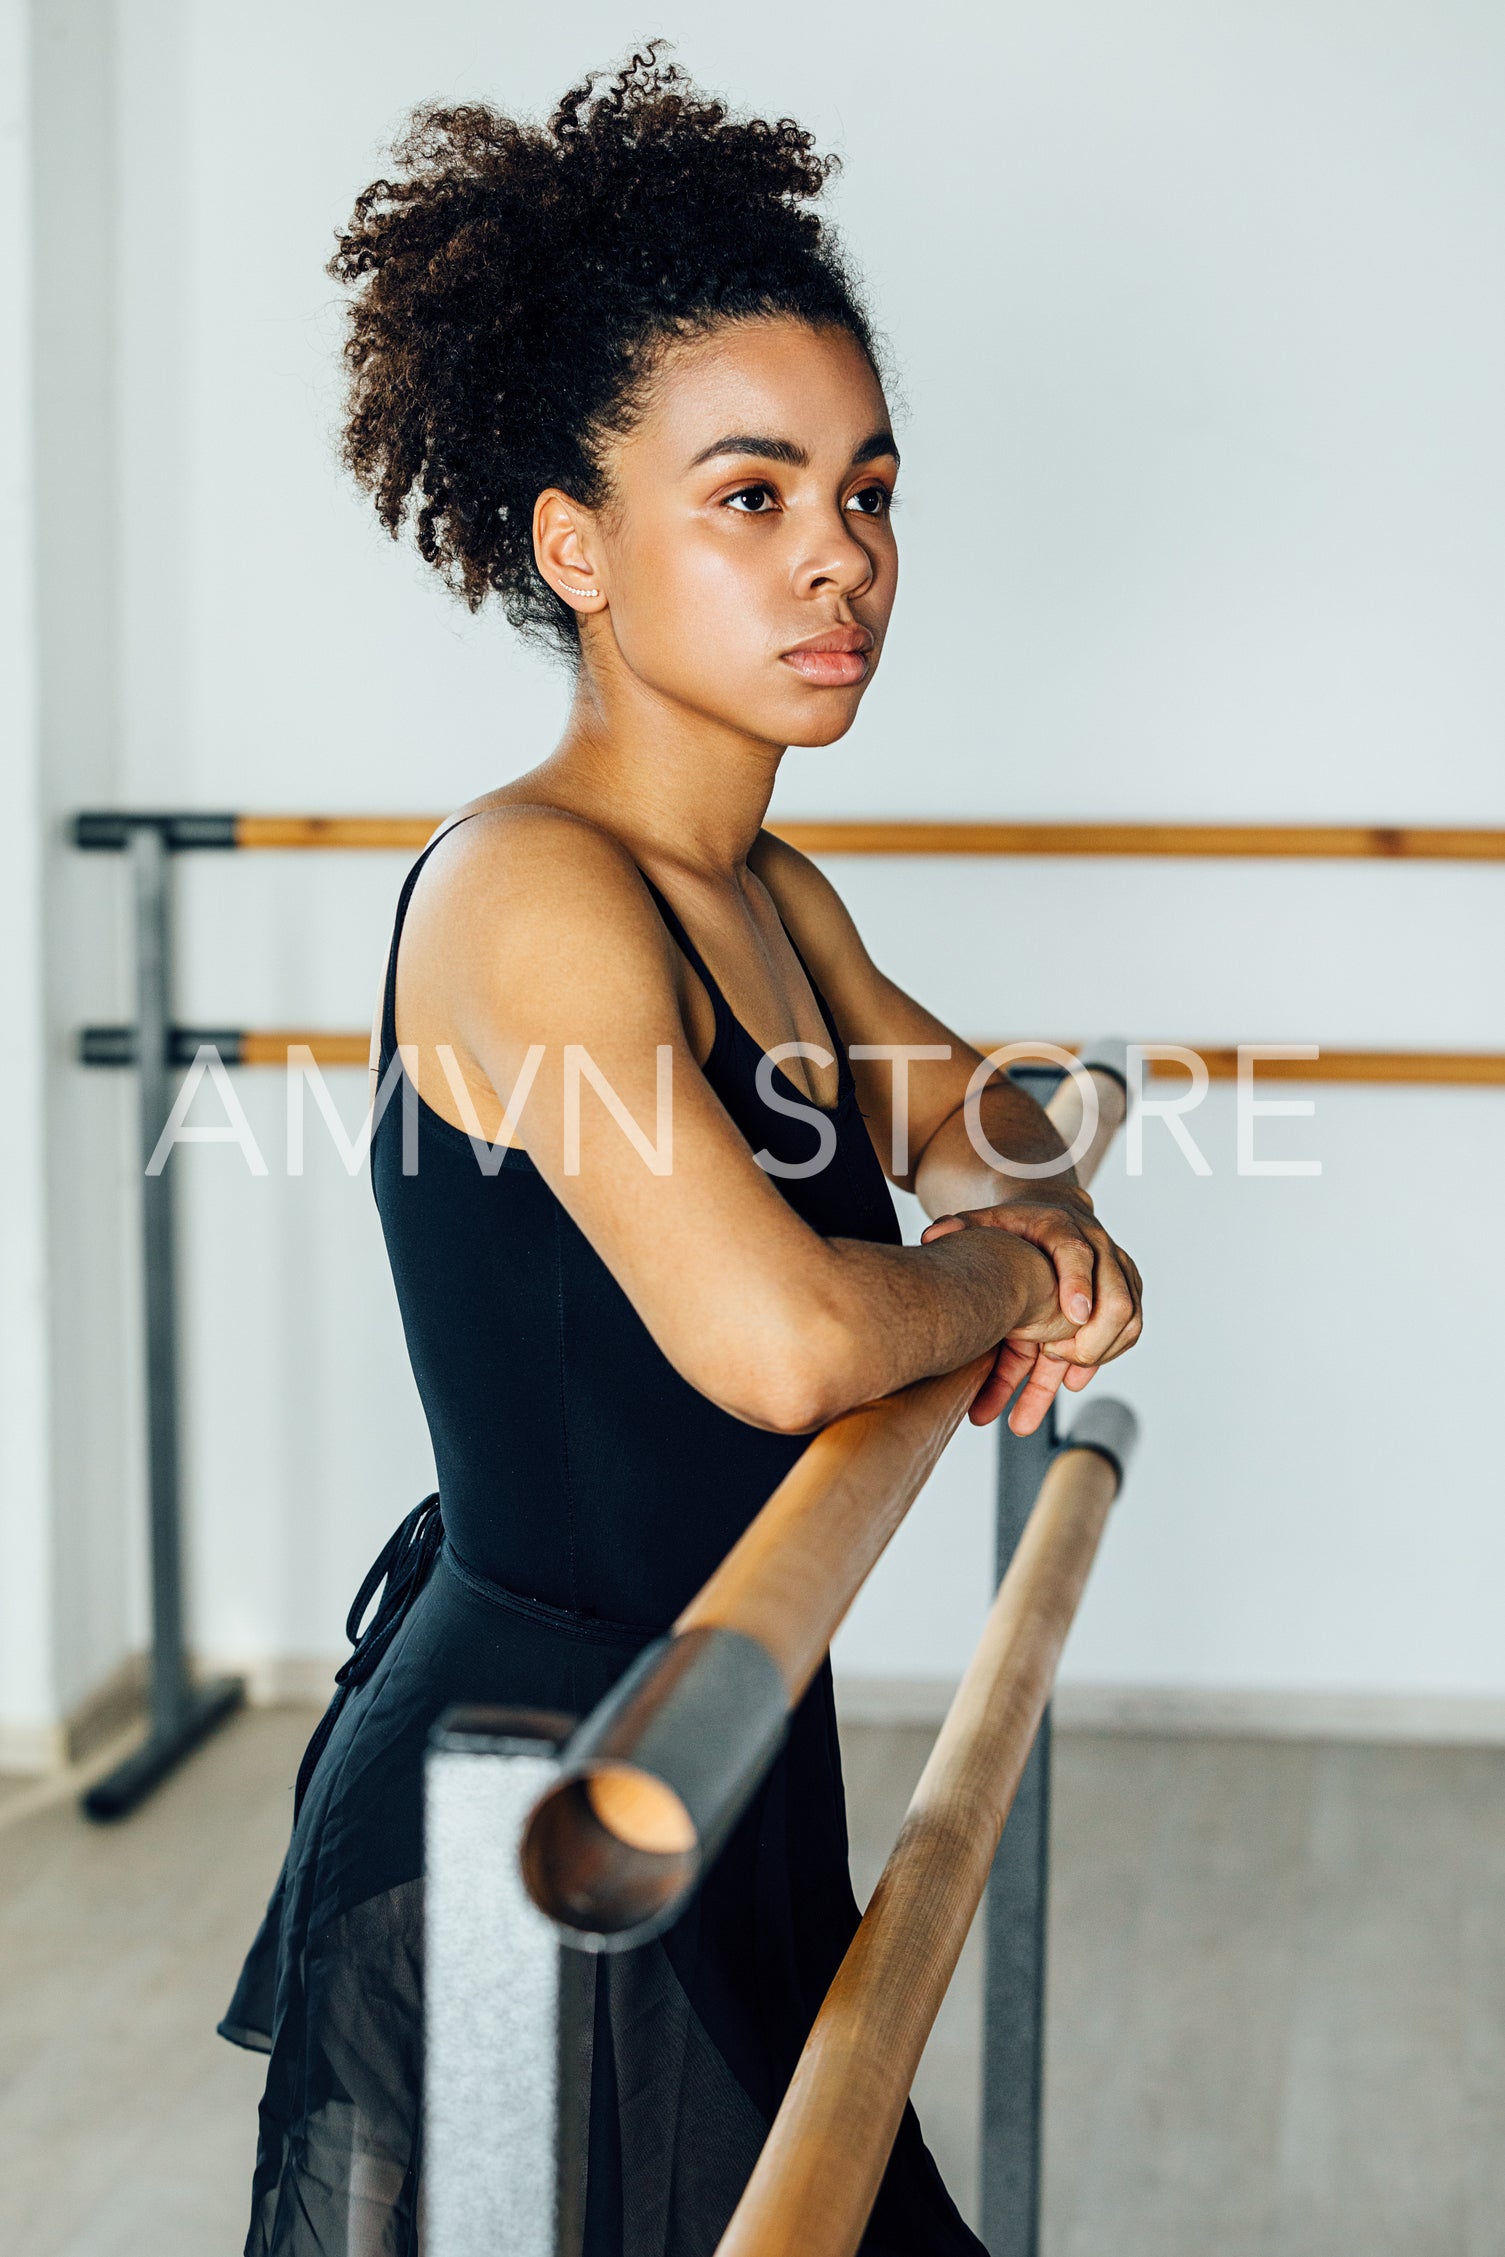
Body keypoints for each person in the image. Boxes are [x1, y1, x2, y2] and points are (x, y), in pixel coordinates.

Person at [219, 46, 1143, 2256]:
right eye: (752, 493)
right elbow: (788, 1336)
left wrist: (1045, 1177)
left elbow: (983, 1115)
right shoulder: (535, 892)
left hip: (720, 1748)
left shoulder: (772, 898)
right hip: (523, 1800)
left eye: (870, 488)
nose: (842, 552)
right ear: (575, 544)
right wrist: (1021, 1269)